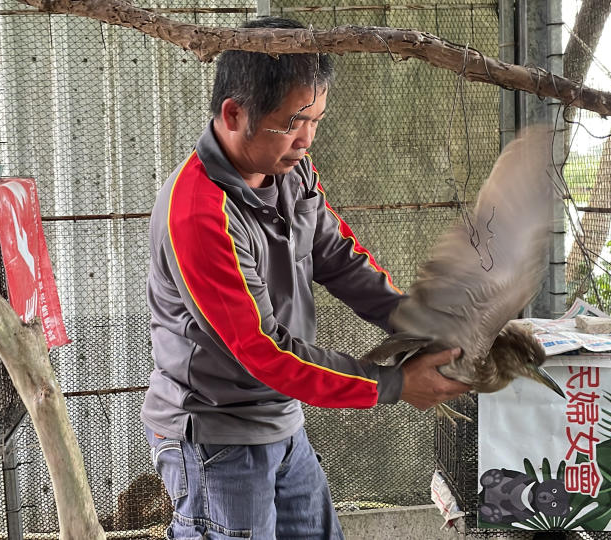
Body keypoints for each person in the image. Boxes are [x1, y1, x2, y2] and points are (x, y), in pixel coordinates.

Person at [141, 16, 470, 539]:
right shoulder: (200, 214)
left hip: (281, 421)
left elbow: (338, 255)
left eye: (316, 119)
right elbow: (265, 351)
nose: (307, 138)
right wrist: (395, 383)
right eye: (294, 121)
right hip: (216, 438)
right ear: (233, 113)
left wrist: (418, 322)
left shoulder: (292, 172)